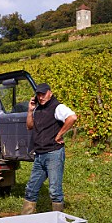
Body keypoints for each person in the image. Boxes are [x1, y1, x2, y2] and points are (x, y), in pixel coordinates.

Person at [21, 83, 77, 215]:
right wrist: (30, 110)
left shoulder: (57, 107)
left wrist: (59, 134)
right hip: (39, 155)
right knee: (31, 189)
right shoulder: (37, 108)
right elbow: (29, 126)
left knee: (54, 190)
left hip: (53, 153)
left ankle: (58, 221)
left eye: (43, 94)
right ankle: (24, 220)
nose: (41, 97)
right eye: (38, 94)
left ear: (50, 93)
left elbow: (72, 117)